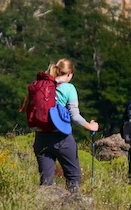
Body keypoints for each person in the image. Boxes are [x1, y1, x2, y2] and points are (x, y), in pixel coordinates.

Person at [33, 58, 100, 193]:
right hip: (61, 138)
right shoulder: (69, 88)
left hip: (41, 137)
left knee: (46, 182)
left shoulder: (40, 86)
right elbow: (74, 115)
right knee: (73, 176)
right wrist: (90, 126)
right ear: (69, 73)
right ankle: (73, 207)